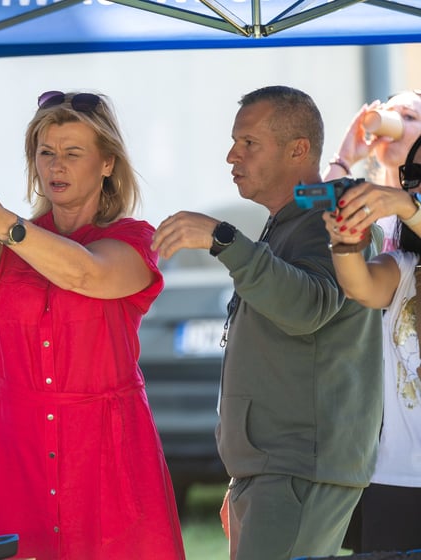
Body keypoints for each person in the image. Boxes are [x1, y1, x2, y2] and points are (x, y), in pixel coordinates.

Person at [0, 90, 185, 560]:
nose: (56, 166)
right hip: (17, 444)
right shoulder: (15, 242)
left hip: (103, 449)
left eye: (73, 153)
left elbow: (86, 272)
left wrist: (6, 223)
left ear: (107, 163)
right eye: (45, 153)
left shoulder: (133, 238)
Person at [151, 85, 383, 560]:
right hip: (275, 474)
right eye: (235, 142)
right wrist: (246, 477)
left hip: (298, 472)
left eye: (249, 143)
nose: (232, 155)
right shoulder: (287, 222)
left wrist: (223, 240)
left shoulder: (329, 219)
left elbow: (308, 307)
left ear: (299, 149)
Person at [320, 132, 421, 553]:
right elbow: (360, 286)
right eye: (415, 174)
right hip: (396, 484)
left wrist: (405, 205)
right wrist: (345, 242)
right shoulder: (403, 268)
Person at [324, 89, 421, 250]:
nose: (392, 123)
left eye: (409, 116)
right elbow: (311, 228)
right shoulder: (362, 203)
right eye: (387, 114)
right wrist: (344, 159)